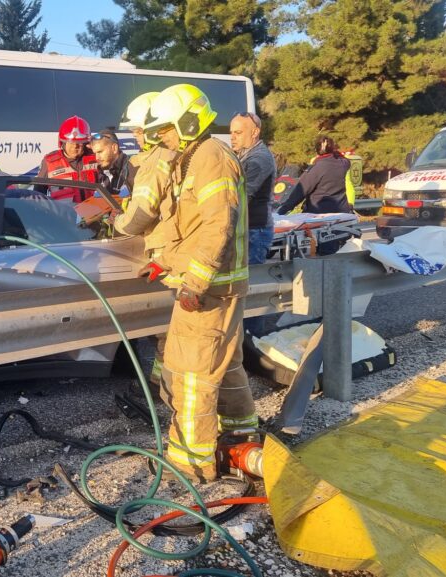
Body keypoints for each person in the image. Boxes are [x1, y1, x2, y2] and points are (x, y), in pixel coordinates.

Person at [139, 84, 257, 483]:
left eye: (165, 128)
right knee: (226, 366)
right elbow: (187, 225)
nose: (160, 137)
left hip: (209, 290)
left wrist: (194, 281)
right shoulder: (195, 156)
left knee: (192, 376)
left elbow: (218, 224)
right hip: (213, 286)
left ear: (188, 121)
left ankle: (191, 461)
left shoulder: (210, 158)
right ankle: (240, 434)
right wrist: (163, 261)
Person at [114, 91, 176, 388]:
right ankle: (161, 384)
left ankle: (164, 388)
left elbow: (142, 212)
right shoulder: (174, 155)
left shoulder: (155, 161)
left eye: (138, 131)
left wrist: (116, 223)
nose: (136, 137)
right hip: (175, 248)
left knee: (167, 327)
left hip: (167, 250)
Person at [277, 135, 352, 255]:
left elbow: (300, 191)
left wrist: (282, 211)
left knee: (319, 252)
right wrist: (335, 152)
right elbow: (346, 160)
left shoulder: (317, 168)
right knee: (333, 251)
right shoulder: (342, 164)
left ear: (316, 150)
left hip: (319, 216)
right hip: (339, 213)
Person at [230, 113, 276, 268]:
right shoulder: (246, 155)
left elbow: (242, 196)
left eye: (238, 133)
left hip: (255, 231)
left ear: (255, 132)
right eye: (231, 132)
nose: (232, 137)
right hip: (250, 228)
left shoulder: (259, 159)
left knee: (250, 284)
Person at [35, 116, 98, 202]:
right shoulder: (49, 162)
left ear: (86, 143)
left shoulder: (96, 158)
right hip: (63, 214)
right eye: (71, 142)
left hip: (94, 214)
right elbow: (38, 195)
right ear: (63, 143)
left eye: (79, 143)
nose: (75, 146)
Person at [91, 128, 137, 194]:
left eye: (100, 152)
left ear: (114, 148)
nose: (97, 157)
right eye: (95, 153)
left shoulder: (132, 169)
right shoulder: (102, 173)